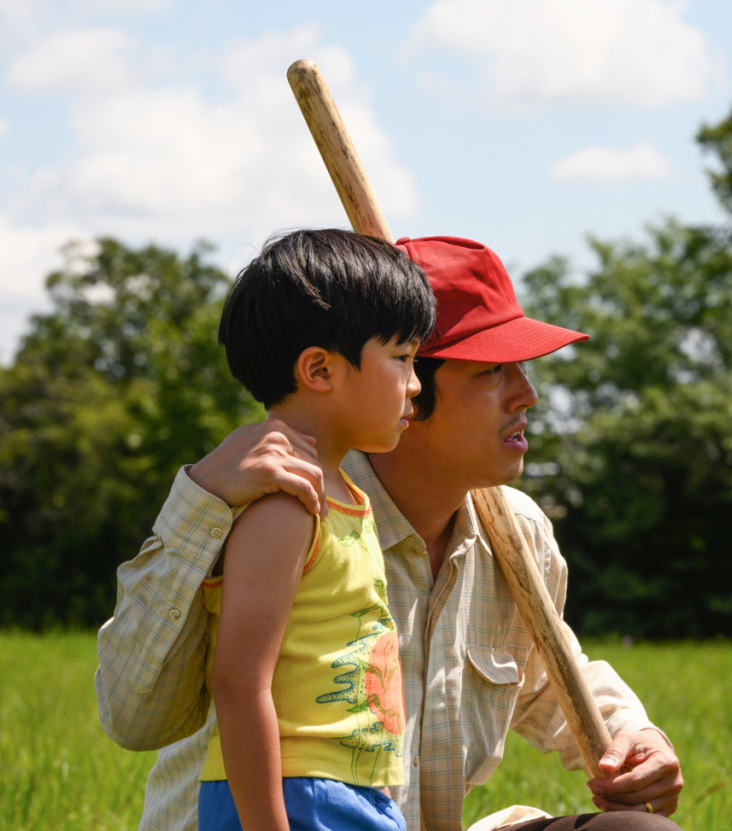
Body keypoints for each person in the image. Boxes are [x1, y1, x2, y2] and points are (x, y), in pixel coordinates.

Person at [96, 235, 684, 831]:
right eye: (490, 372)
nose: (527, 395)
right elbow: (133, 717)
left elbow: (546, 674)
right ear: (410, 383)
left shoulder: (519, 533)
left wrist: (633, 735)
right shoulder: (278, 502)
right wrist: (199, 501)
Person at [198, 228, 434, 830]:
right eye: (403, 358)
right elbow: (237, 680)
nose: (415, 384)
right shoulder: (285, 506)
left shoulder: (347, 496)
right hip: (295, 795)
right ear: (320, 370)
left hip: (351, 791)